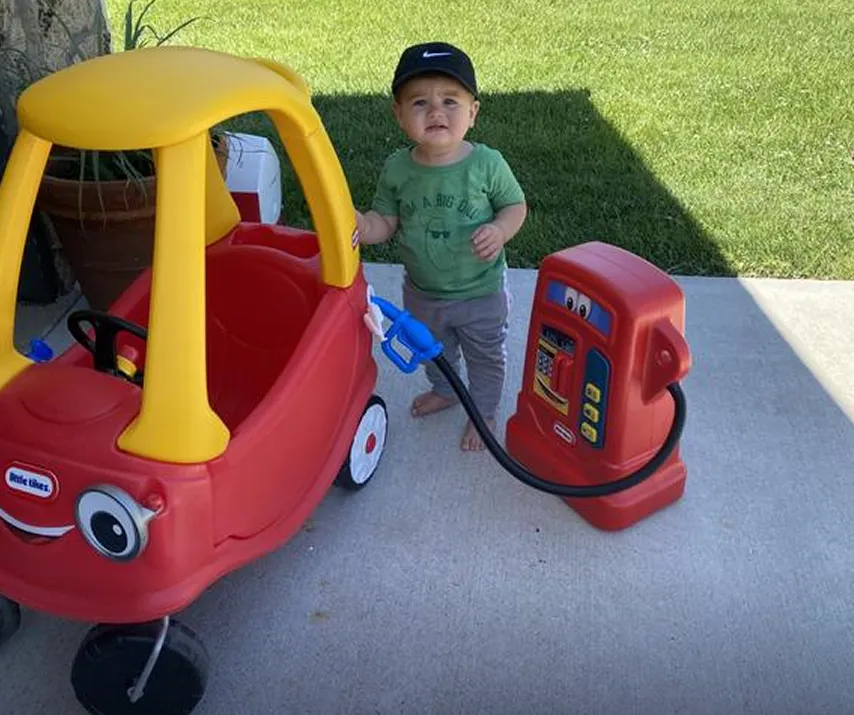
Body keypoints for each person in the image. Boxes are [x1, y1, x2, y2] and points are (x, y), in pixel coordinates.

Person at [355, 41, 527, 451]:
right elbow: (384, 223)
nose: (436, 112)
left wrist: (500, 230)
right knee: (433, 350)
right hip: (423, 292)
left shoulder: (486, 164)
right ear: (399, 114)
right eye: (420, 102)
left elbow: (515, 206)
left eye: (450, 101)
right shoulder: (398, 169)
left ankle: (483, 411)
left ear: (473, 112)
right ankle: (447, 390)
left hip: (481, 291)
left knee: (485, 356)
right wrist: (358, 224)